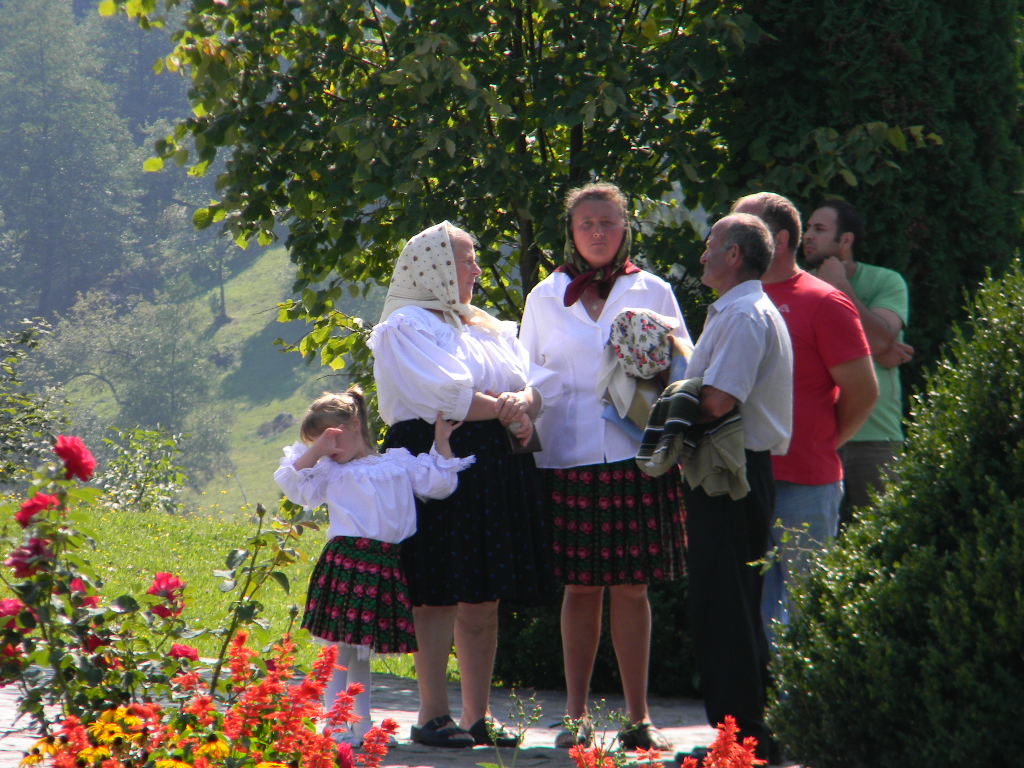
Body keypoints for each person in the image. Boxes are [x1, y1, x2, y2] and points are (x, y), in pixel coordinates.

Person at [368, 221, 560, 749]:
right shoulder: (407, 325)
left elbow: (533, 383)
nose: (476, 269)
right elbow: (445, 395)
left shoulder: (482, 324)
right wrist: (508, 407)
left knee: (483, 593)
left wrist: (523, 403)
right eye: (466, 259)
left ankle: (478, 717)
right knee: (435, 590)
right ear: (434, 267)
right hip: (436, 455)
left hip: (494, 458)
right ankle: (432, 714)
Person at [520, 182, 689, 751]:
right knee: (580, 589)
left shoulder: (654, 290)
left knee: (633, 588)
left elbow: (683, 371)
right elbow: (527, 372)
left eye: (608, 222)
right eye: (586, 223)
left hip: (635, 456)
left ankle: (639, 717)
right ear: (571, 232)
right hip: (566, 457)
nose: (597, 232)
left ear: (625, 229)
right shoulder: (545, 296)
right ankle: (576, 716)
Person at [273, 388, 474, 745]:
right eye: (322, 442)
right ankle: (334, 725)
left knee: (361, 651)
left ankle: (362, 725)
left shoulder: (397, 463)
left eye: (332, 437)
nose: (330, 449)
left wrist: (442, 441)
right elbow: (293, 485)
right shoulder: (330, 470)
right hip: (346, 562)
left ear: (354, 424)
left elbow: (440, 484)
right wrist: (317, 451)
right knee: (339, 649)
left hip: (382, 564)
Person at [731, 193, 877, 645]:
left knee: (806, 617)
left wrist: (821, 442)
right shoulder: (735, 300)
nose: (730, 243)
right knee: (750, 618)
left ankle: (801, 697)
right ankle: (758, 694)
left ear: (777, 240)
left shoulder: (823, 301)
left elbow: (863, 392)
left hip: (806, 484)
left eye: (743, 231)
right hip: (742, 480)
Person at [674, 213, 792, 765]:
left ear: (734, 255)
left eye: (710, 245)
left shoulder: (745, 315)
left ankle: (743, 742)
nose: (702, 255)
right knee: (728, 604)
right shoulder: (741, 309)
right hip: (733, 470)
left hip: (731, 472)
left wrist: (662, 408)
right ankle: (740, 738)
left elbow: (720, 400)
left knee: (725, 607)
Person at [803, 199, 911, 526]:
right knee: (810, 543)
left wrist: (840, 287)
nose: (808, 236)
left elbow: (878, 340)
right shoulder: (799, 288)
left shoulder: (886, 281)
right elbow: (877, 344)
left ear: (846, 240)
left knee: (884, 535)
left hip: (876, 438)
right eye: (807, 228)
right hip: (815, 438)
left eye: (819, 229)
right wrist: (879, 348)